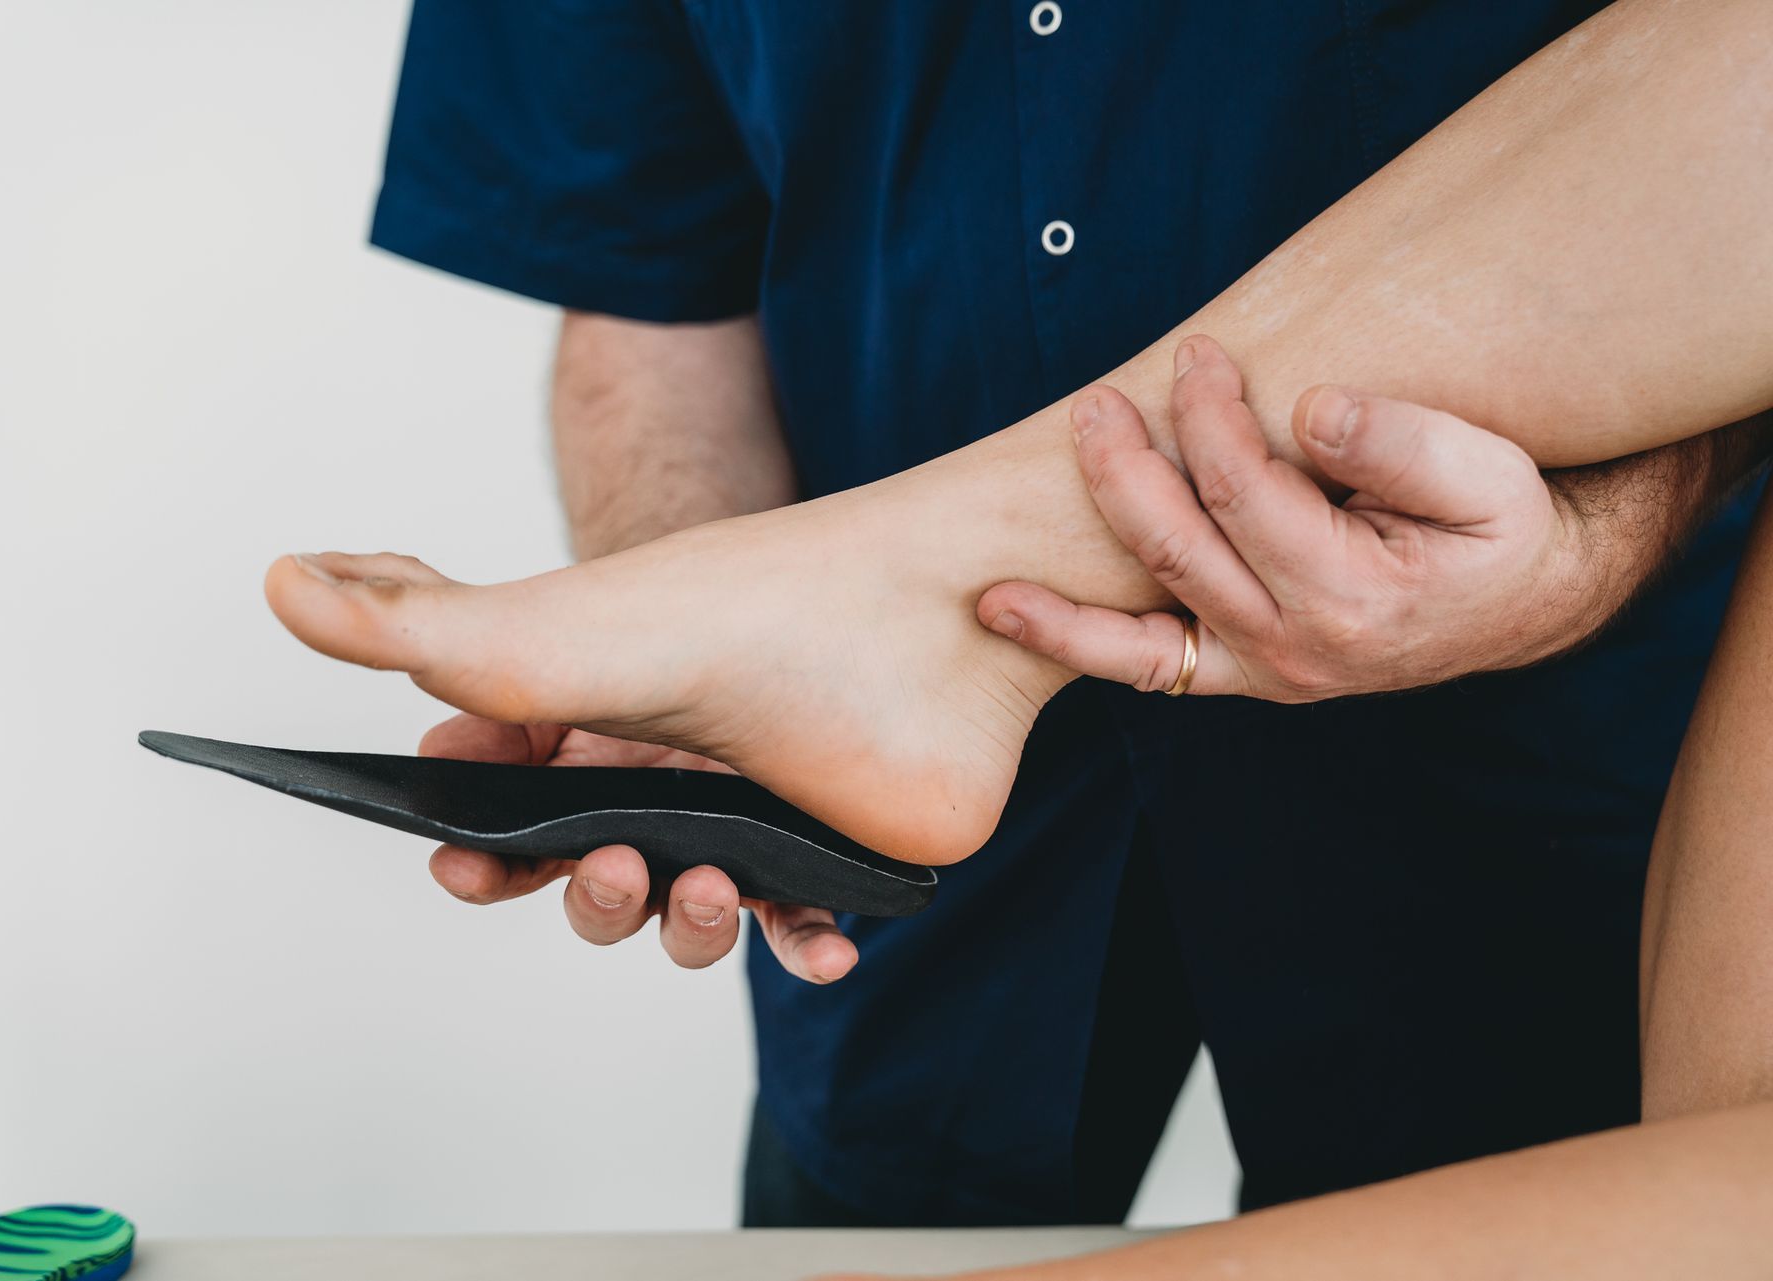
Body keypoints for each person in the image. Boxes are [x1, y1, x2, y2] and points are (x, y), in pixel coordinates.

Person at [276, 0, 1773, 1228]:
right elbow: (650, 272)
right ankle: (857, 620)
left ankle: (885, 603)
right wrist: (708, 638)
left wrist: (1593, 542)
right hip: (888, 853)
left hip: (1524, 776)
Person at [810, 352, 1773, 1276]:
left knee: (1491, 1173)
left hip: (1497, 790)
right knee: (863, 1195)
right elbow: (676, 269)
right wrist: (727, 622)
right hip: (900, 810)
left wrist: (1589, 540)